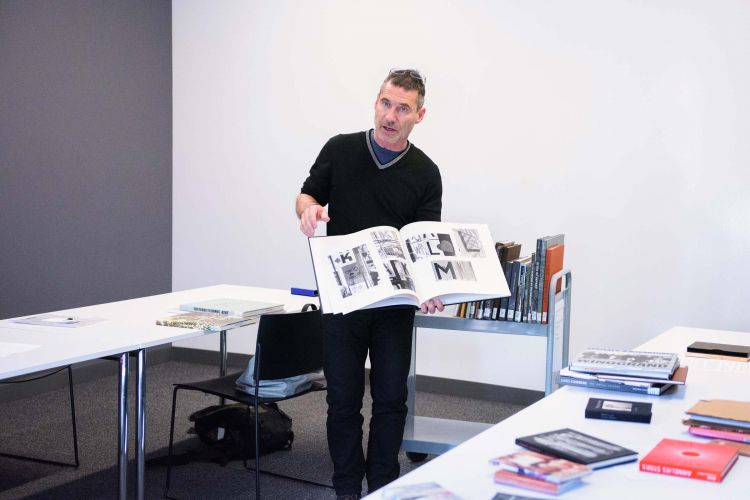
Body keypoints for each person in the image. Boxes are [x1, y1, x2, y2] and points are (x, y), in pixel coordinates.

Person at [295, 69, 444, 499]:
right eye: (385, 103)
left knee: (391, 399)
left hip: (394, 305)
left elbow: (422, 241)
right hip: (343, 300)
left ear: (420, 115)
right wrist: (307, 211)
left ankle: (381, 483)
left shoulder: (426, 172)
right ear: (375, 102)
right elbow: (307, 194)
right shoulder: (340, 149)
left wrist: (429, 286)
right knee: (342, 400)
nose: (390, 115)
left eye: (402, 108)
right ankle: (346, 488)